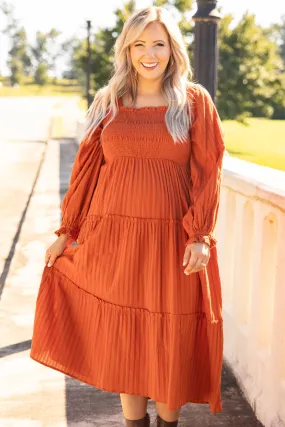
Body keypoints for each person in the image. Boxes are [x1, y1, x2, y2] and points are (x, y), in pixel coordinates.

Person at [30, 6, 226, 427]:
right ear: (127, 49)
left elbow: (208, 172)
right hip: (114, 237)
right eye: (139, 44)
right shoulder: (110, 100)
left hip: (172, 242)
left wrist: (200, 236)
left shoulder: (194, 101)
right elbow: (86, 170)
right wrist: (68, 230)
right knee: (127, 341)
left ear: (173, 49)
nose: (149, 54)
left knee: (168, 342)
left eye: (158, 43)